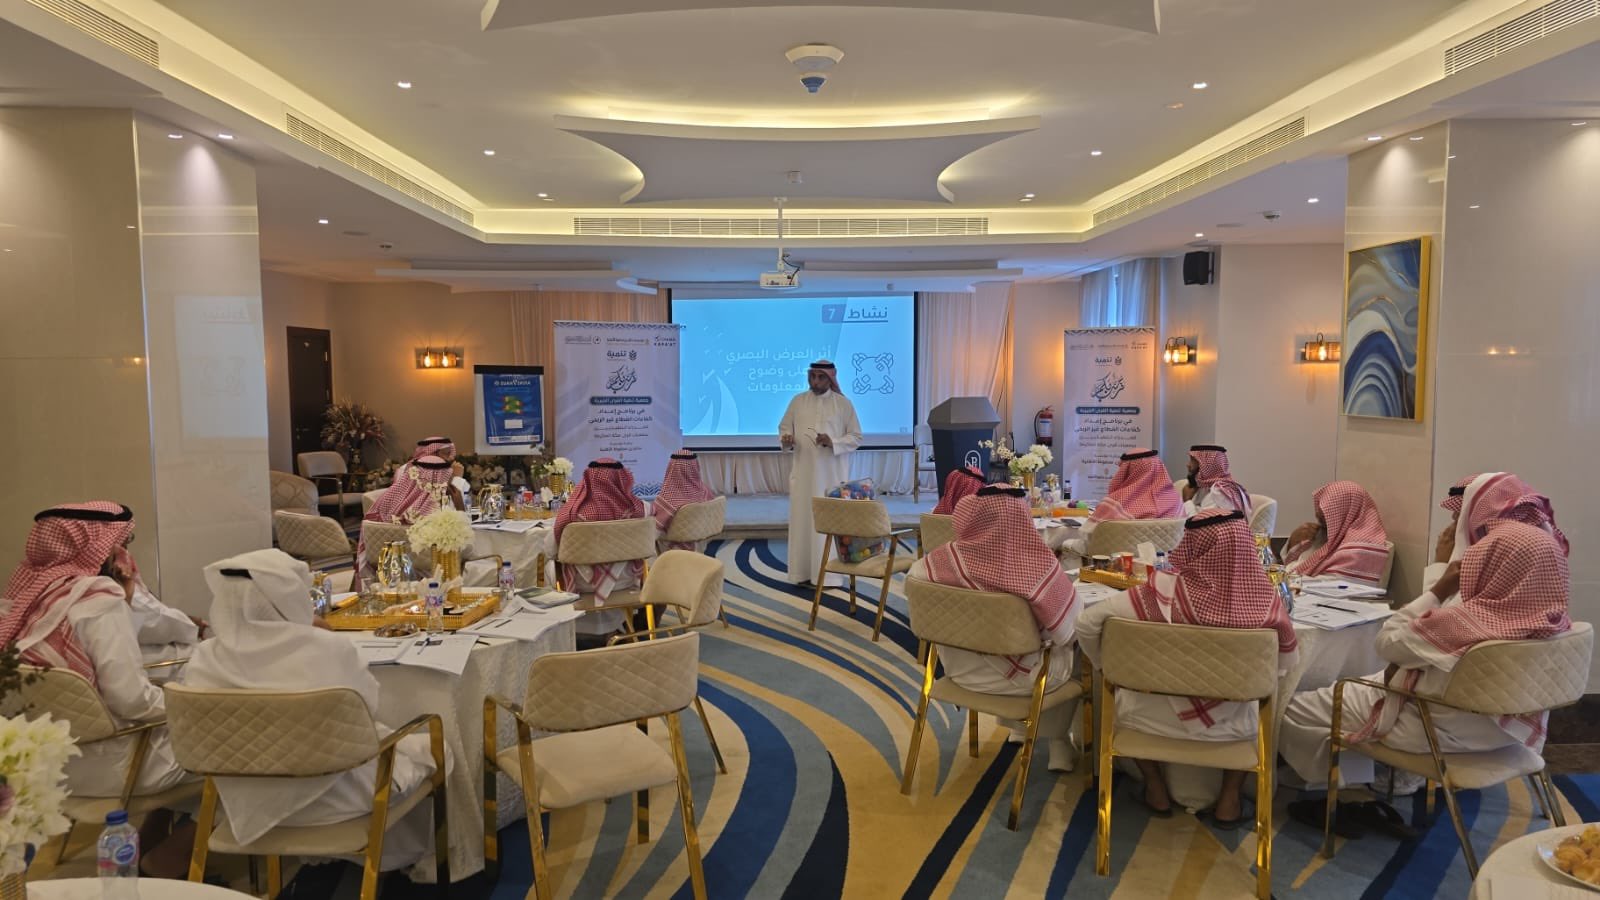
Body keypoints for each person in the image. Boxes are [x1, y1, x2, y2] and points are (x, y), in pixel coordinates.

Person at [182, 549, 441, 872]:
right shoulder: (326, 649)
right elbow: (367, 709)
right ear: (288, 597)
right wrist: (319, 636)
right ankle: (426, 862)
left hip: (242, 797)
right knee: (434, 745)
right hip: (342, 798)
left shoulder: (203, 659)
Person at [1280, 521, 1570, 800]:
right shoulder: (1559, 629)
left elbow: (1387, 642)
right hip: (1507, 733)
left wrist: (1439, 588)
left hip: (1432, 728)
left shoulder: (1466, 623)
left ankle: (1340, 781)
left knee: (1287, 708)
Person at [0, 502, 197, 875]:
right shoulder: (97, 600)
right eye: (121, 542)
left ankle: (150, 843)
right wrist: (192, 705)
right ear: (95, 545)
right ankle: (169, 860)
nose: (123, 553)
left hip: (49, 765)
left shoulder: (28, 595)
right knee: (231, 745)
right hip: (113, 765)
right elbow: (131, 700)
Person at [1076, 509, 1298, 826]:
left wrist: (1104, 666)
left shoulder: (1157, 593)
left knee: (1120, 696)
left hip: (1147, 722)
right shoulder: (1267, 603)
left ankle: (1154, 786)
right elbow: (1283, 667)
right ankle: (1229, 799)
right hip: (1234, 732)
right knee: (1253, 702)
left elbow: (1086, 624)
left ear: (1192, 543)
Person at [906, 484, 1080, 772]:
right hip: (1025, 685)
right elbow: (1068, 630)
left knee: (1026, 646)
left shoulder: (928, 566)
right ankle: (1058, 742)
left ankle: (1022, 729)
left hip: (958, 673)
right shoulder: (1036, 568)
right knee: (1077, 646)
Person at [779, 360, 863, 584]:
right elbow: (785, 428)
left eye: (820, 377)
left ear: (831, 378)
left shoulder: (843, 404)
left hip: (831, 477)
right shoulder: (798, 401)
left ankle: (830, 577)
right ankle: (801, 573)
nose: (815, 381)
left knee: (829, 521)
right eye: (812, 376)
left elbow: (856, 437)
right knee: (803, 521)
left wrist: (833, 441)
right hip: (803, 475)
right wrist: (786, 439)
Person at [554, 458, 648, 637]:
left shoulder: (571, 514)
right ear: (623, 478)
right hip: (627, 583)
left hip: (581, 586)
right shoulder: (641, 510)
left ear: (587, 478)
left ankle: (565, 633)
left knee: (548, 566)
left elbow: (551, 549)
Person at [355, 455, 462, 588]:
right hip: (433, 578)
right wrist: (459, 503)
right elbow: (461, 545)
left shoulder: (385, 501)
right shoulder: (439, 509)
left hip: (387, 573)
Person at [1061, 448, 1183, 557]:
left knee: (1065, 545)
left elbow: (1087, 534)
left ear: (1128, 470)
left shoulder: (1115, 503)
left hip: (1112, 565)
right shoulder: (1175, 499)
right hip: (1164, 564)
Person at [1283, 481, 1390, 586]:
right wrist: (1294, 541)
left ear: (1345, 510)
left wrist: (1283, 578)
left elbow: (1329, 587)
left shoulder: (1360, 549)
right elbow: (1297, 566)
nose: (1318, 514)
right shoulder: (1328, 535)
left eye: (1326, 510)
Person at [653, 450, 717, 551]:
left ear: (671, 468)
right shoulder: (705, 492)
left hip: (672, 550)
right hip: (700, 543)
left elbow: (655, 529)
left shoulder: (668, 498)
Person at [1182, 444, 1251, 516]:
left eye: (1193, 460)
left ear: (1208, 465)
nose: (1188, 465)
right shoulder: (1204, 487)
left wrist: (1187, 500)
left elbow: (1200, 521)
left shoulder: (1220, 492)